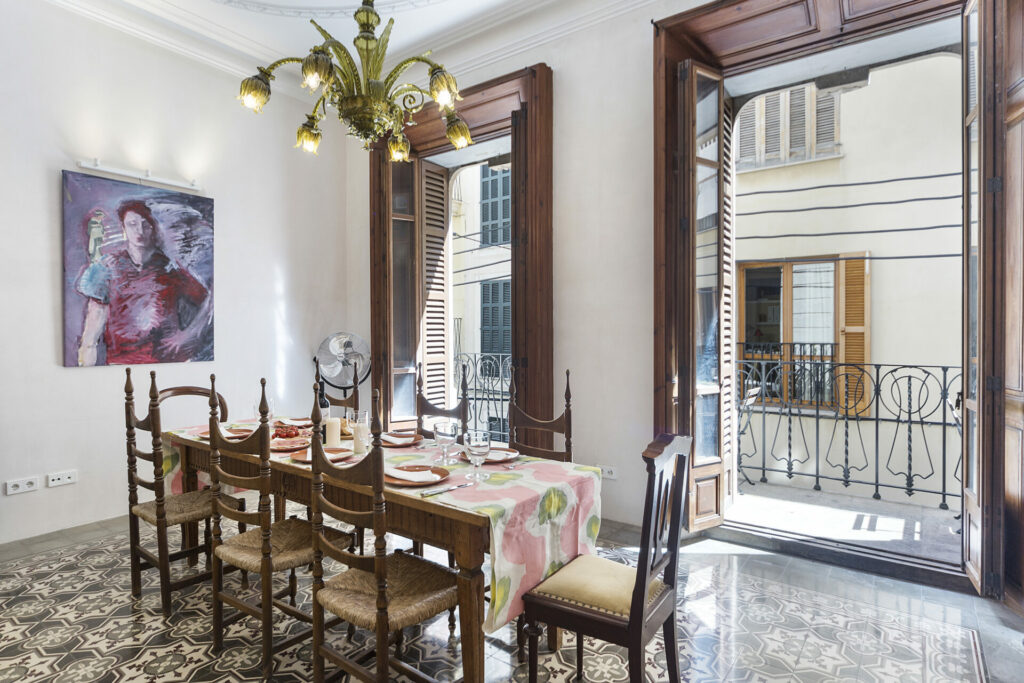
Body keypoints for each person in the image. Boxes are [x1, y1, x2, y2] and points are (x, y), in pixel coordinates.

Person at [77, 199, 211, 366]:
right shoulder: (107, 267)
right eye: (132, 224)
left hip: (171, 364)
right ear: (124, 229)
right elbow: (90, 338)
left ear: (153, 228)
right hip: (122, 364)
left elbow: (208, 301)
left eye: (145, 225)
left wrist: (187, 336)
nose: (139, 230)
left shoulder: (170, 268)